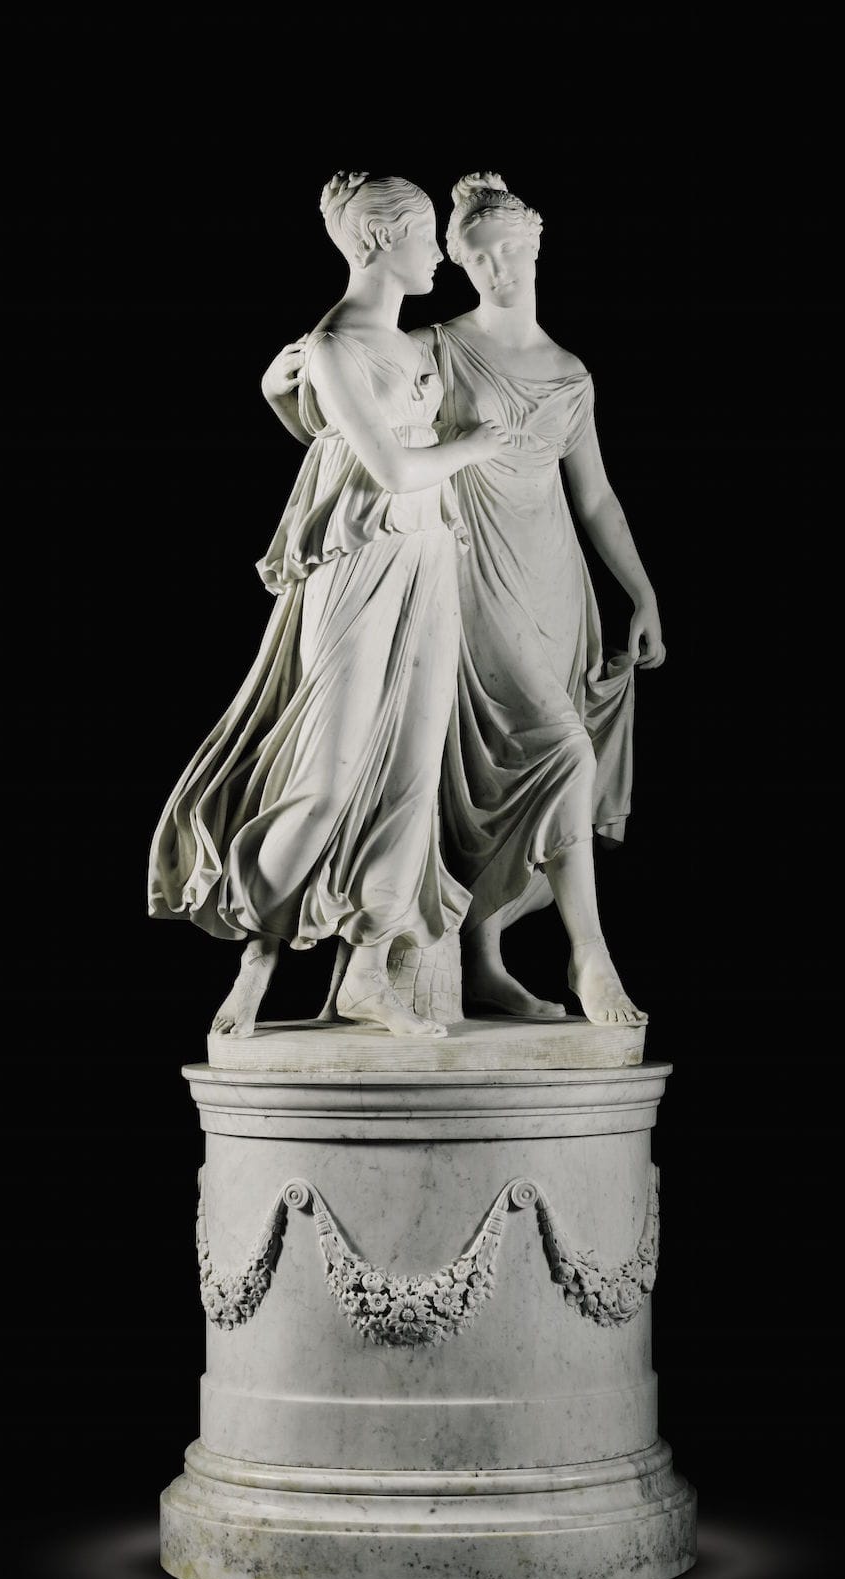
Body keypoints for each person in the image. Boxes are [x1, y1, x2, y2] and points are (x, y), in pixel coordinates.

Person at [148, 173, 504, 1038]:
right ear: (379, 239)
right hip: (356, 562)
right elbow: (391, 466)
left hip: (428, 553)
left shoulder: (408, 345)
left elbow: (324, 439)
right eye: (425, 234)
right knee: (325, 776)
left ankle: (369, 973)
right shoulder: (336, 345)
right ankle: (256, 955)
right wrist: (472, 443)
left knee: (410, 772)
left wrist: (279, 397)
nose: (438, 253)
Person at [417, 172, 667, 1025]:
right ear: (461, 264)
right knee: (557, 752)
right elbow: (352, 410)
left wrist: (641, 593)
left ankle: (483, 958)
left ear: (535, 248)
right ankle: (589, 954)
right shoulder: (436, 347)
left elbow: (595, 498)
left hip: (556, 584)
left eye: (510, 251)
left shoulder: (569, 372)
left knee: (535, 768)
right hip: (474, 572)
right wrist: (287, 385)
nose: (499, 269)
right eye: (480, 258)